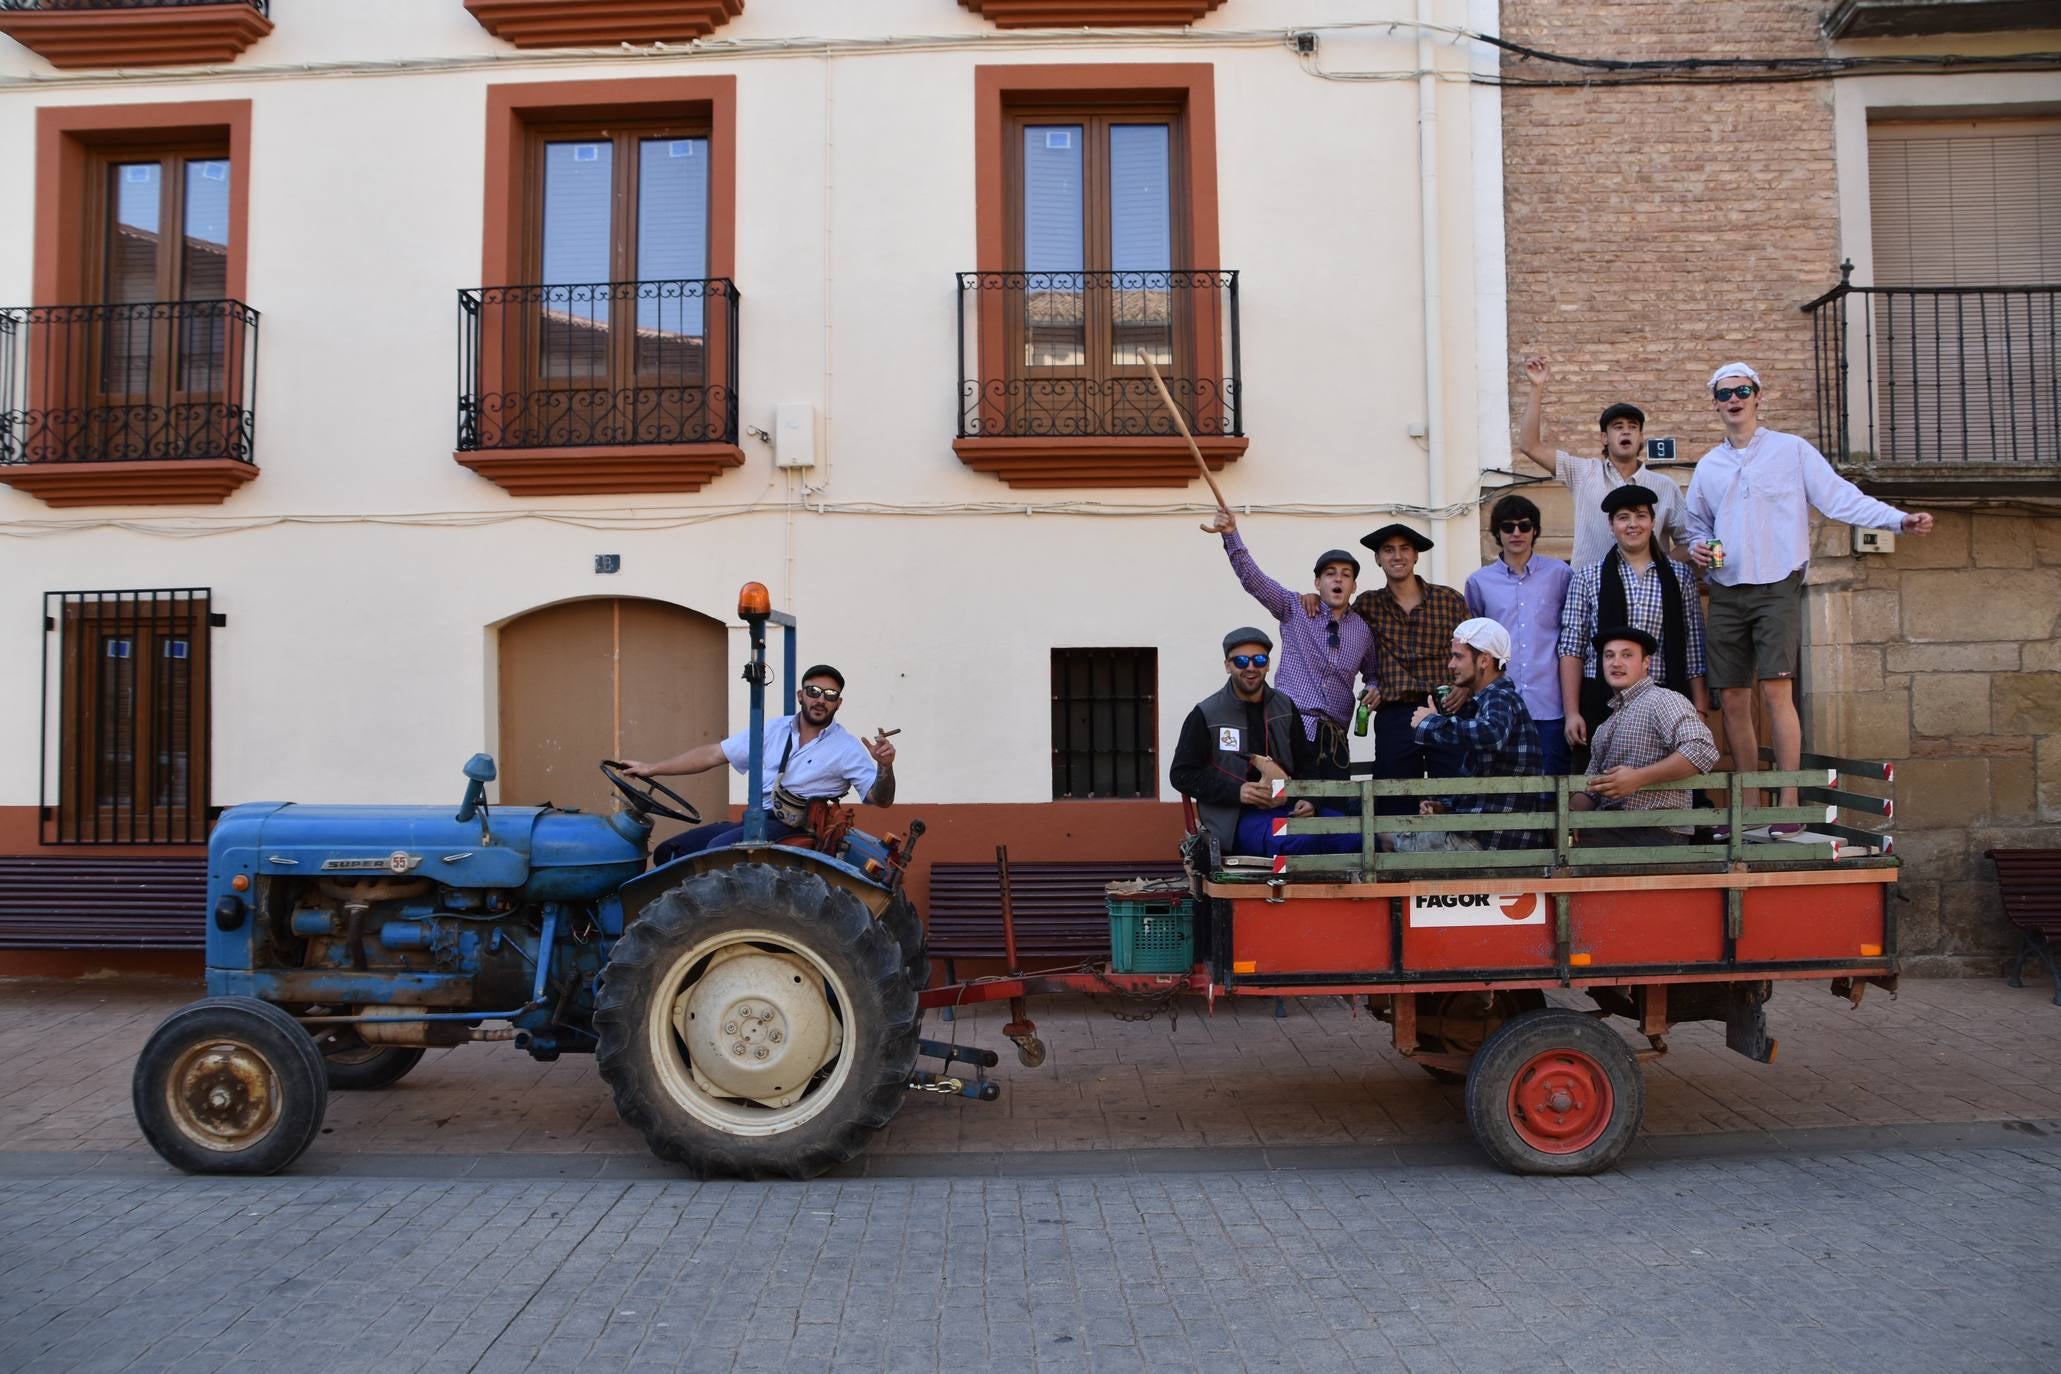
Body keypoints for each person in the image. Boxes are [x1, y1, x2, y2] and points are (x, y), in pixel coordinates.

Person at [1683, 361, 1933, 824]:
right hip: (1725, 590)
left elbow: (1840, 498)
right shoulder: (1709, 466)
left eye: (1742, 390)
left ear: (1758, 396)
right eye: (1724, 394)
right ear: (1715, 404)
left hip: (1777, 586)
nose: (1733, 399)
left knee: (1778, 691)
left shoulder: (1792, 451)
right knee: (1734, 698)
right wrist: (1697, 545)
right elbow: (1694, 523)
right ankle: (1751, 805)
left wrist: (1898, 519)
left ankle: (1789, 802)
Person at [624, 664, 897, 864]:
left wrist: (885, 766)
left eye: (830, 695)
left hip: (796, 825)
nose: (820, 699)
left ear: (838, 703)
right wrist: (652, 768)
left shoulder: (846, 747)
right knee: (671, 852)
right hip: (757, 818)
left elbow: (878, 799)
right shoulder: (773, 730)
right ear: (801, 695)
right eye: (814, 691)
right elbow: (713, 754)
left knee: (719, 850)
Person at [1203, 507, 1380, 781]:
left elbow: (1372, 674)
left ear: (1354, 586)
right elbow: (1254, 580)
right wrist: (1231, 535)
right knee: (1285, 806)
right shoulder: (1294, 608)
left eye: (1346, 575)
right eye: (1330, 573)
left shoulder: (1363, 630)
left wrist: (1373, 688)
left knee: (1333, 815)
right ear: (1317, 583)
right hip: (1289, 730)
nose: (1338, 579)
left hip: (1335, 739)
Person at [1169, 628, 1357, 858]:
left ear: (1268, 665)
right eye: (1240, 661)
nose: (1250, 667)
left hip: (1288, 809)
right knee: (1297, 842)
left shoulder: (1286, 706)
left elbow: (1306, 763)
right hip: (1236, 817)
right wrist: (1238, 792)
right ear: (1227, 666)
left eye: (1259, 660)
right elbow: (1181, 774)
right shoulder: (1206, 713)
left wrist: (1310, 799)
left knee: (1355, 834)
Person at [1557, 484, 1707, 760]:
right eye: (1623, 517)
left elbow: (1693, 647)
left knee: (1662, 784)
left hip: (1664, 697)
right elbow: (1571, 649)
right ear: (1611, 525)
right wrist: (1572, 713)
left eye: (1640, 516)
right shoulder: (1588, 577)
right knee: (1598, 786)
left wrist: (1699, 708)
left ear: (1652, 522)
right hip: (1601, 697)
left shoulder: (1679, 577)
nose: (1632, 524)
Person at [1389, 618, 1546, 853]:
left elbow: (1491, 734)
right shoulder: (1486, 701)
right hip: (1485, 834)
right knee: (1389, 837)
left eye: (1458, 656)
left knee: (1385, 842)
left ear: (1484, 660)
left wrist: (1431, 723)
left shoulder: (1500, 698)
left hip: (1493, 841)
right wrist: (1445, 808)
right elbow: (1482, 785)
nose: (1451, 664)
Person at [1515, 356, 1686, 566]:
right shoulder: (1582, 472)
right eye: (1618, 426)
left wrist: (1659, 568)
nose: (1626, 431)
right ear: (1604, 438)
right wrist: (1536, 386)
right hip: (1591, 593)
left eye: (1633, 426)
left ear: (1641, 437)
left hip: (1647, 595)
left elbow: (1688, 541)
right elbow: (1529, 446)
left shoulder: (1665, 486)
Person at [1347, 523, 1470, 815]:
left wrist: (1464, 688)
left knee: (1455, 794)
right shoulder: (1368, 604)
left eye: (1404, 549)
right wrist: (1311, 600)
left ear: (1416, 556)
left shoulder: (1449, 600)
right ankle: (1397, 858)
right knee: (1393, 800)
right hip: (1395, 714)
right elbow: (1338, 623)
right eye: (1388, 550)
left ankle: (1459, 856)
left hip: (1445, 709)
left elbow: (1474, 651)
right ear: (1378, 558)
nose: (1397, 556)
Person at [1570, 627, 1721, 848]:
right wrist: (1565, 818)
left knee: (1575, 851)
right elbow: (1592, 788)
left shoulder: (1662, 700)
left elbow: (1702, 749)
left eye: (1627, 655)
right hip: (1616, 829)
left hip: (1658, 831)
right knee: (1551, 846)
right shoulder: (1605, 726)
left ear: (1646, 663)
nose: (1616, 662)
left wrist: (1638, 778)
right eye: (1609, 655)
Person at [1464, 492, 1573, 776]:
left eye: (1524, 526)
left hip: (1550, 703)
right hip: (1497, 707)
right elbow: (1476, 646)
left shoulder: (1560, 574)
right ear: (1497, 532)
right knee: (1501, 789)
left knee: (1552, 788)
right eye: (1508, 527)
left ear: (1535, 530)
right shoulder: (1478, 582)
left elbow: (1572, 635)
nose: (1516, 533)